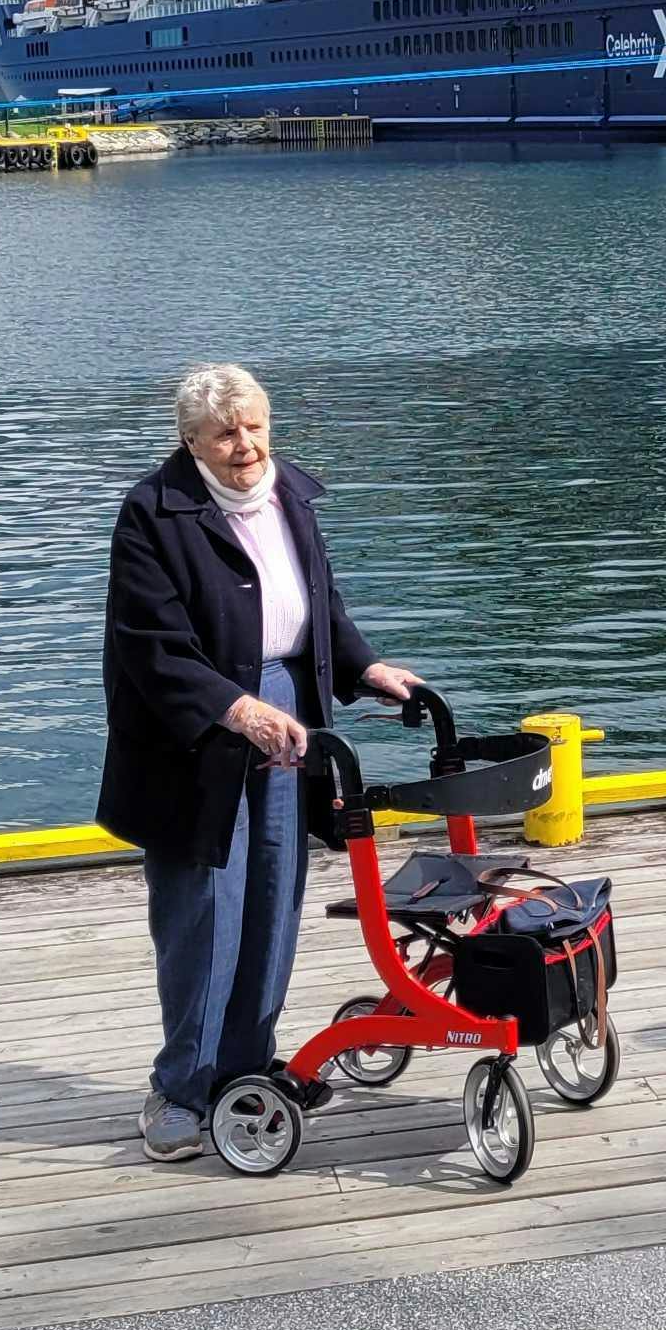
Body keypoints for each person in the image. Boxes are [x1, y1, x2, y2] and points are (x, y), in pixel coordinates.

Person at [97, 362, 418, 1164]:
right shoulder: (151, 513)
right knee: (205, 909)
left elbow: (319, 609)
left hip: (290, 715)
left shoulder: (293, 496)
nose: (245, 447)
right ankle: (180, 1089)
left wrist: (363, 668)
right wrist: (235, 709)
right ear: (191, 442)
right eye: (225, 434)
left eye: (254, 428)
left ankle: (245, 1068)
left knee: (275, 895)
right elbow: (151, 648)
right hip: (198, 730)